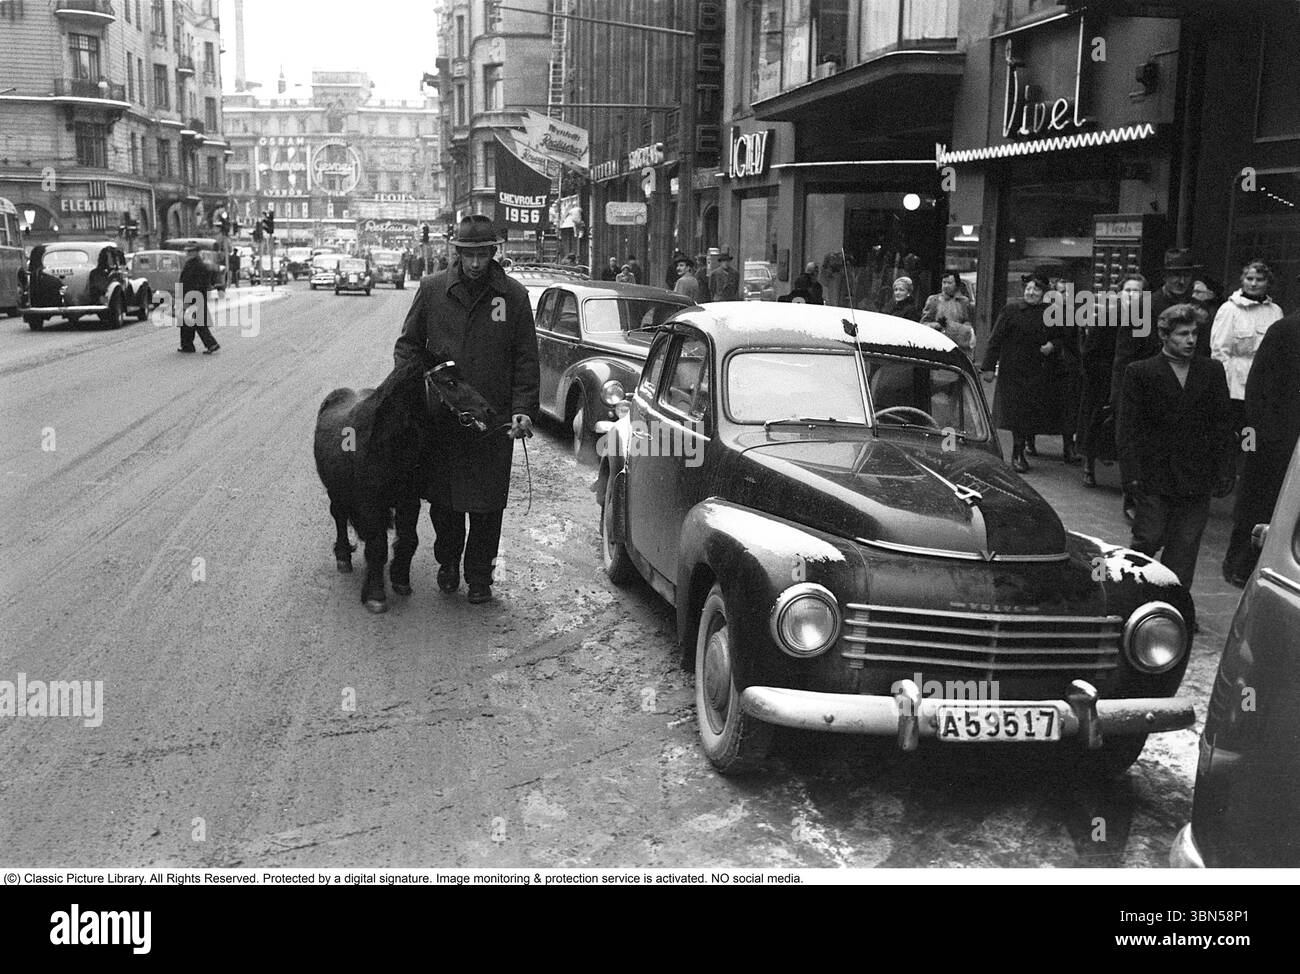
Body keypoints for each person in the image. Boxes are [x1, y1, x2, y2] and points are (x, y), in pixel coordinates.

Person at [394, 214, 539, 605]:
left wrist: (524, 408)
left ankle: (479, 577)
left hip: (494, 423)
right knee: (445, 505)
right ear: (456, 253)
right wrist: (415, 387)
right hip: (443, 421)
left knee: (488, 507)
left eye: (482, 254)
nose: (475, 263)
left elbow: (526, 358)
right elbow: (407, 346)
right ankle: (447, 562)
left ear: (493, 253)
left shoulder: (513, 296)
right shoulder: (432, 289)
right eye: (468, 255)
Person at [1118, 303, 1235, 595]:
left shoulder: (1211, 371)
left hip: (1196, 475)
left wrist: (1225, 468)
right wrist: (1131, 474)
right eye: (1183, 334)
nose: (1191, 340)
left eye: (1195, 333)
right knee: (1148, 537)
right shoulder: (1140, 372)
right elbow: (1128, 428)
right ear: (1165, 336)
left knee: (1185, 545)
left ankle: (1176, 604)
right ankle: (1134, 595)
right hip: (1154, 474)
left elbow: (1222, 423)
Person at [1221, 305, 1300, 586]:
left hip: (1291, 442)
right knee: (1257, 504)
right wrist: (1261, 437)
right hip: (1271, 441)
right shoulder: (1284, 330)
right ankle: (1239, 565)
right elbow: (1257, 386)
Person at [980, 271, 1065, 472]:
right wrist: (988, 367)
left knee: (1029, 414)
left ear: (1043, 292)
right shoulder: (1011, 311)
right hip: (1013, 371)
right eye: (1028, 289)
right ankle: (1016, 454)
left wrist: (1052, 345)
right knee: (1016, 415)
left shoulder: (1051, 313)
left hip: (1038, 372)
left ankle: (1024, 447)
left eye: (1035, 289)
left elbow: (1062, 338)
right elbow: (995, 339)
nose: (1031, 292)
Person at [1210, 259, 1284, 451]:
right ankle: (1231, 473)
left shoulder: (1275, 311)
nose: (1253, 283)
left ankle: (1246, 468)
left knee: (1253, 435)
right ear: (1242, 280)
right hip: (1235, 386)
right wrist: (1222, 387)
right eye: (1249, 278)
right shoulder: (1230, 310)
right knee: (1235, 432)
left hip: (1263, 386)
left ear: (1267, 282)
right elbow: (1220, 351)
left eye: (1259, 279)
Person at [178, 244, 219, 354]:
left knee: (197, 323)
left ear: (196, 252)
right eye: (187, 252)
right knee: (188, 322)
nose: (188, 254)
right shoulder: (195, 264)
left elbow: (194, 283)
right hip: (193, 296)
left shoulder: (196, 265)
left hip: (193, 297)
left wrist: (189, 299)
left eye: (190, 251)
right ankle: (187, 345)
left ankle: (211, 344)